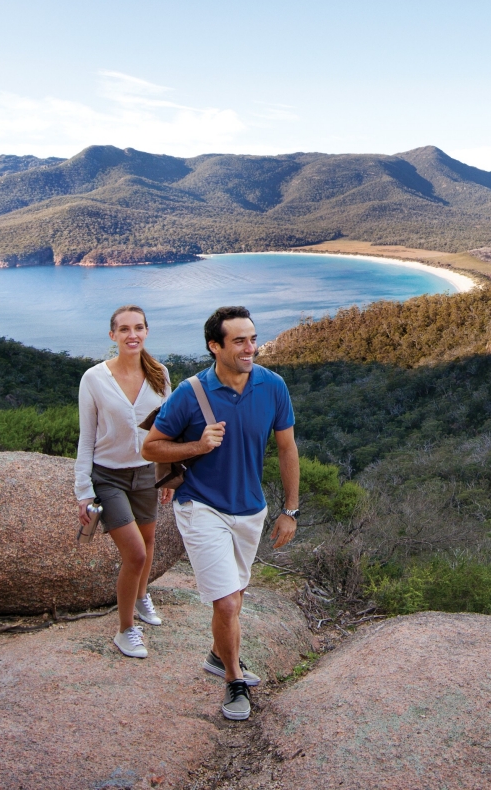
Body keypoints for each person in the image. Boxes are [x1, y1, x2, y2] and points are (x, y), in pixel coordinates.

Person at [142, 306, 299, 719]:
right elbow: (151, 447)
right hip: (200, 504)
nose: (251, 348)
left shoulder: (272, 385)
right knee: (227, 603)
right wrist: (197, 445)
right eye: (240, 341)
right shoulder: (191, 393)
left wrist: (291, 509)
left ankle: (218, 654)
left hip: (250, 508)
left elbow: (287, 448)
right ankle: (233, 679)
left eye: (253, 339)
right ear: (215, 346)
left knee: (236, 594)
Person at [75, 304, 172, 658]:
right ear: (112, 335)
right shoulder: (94, 378)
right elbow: (87, 437)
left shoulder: (159, 373)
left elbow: (168, 430)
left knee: (149, 541)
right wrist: (83, 490)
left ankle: (142, 595)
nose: (133, 335)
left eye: (139, 328)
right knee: (135, 553)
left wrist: (168, 474)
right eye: (125, 329)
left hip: (146, 472)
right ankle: (125, 629)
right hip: (108, 477)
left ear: (146, 331)